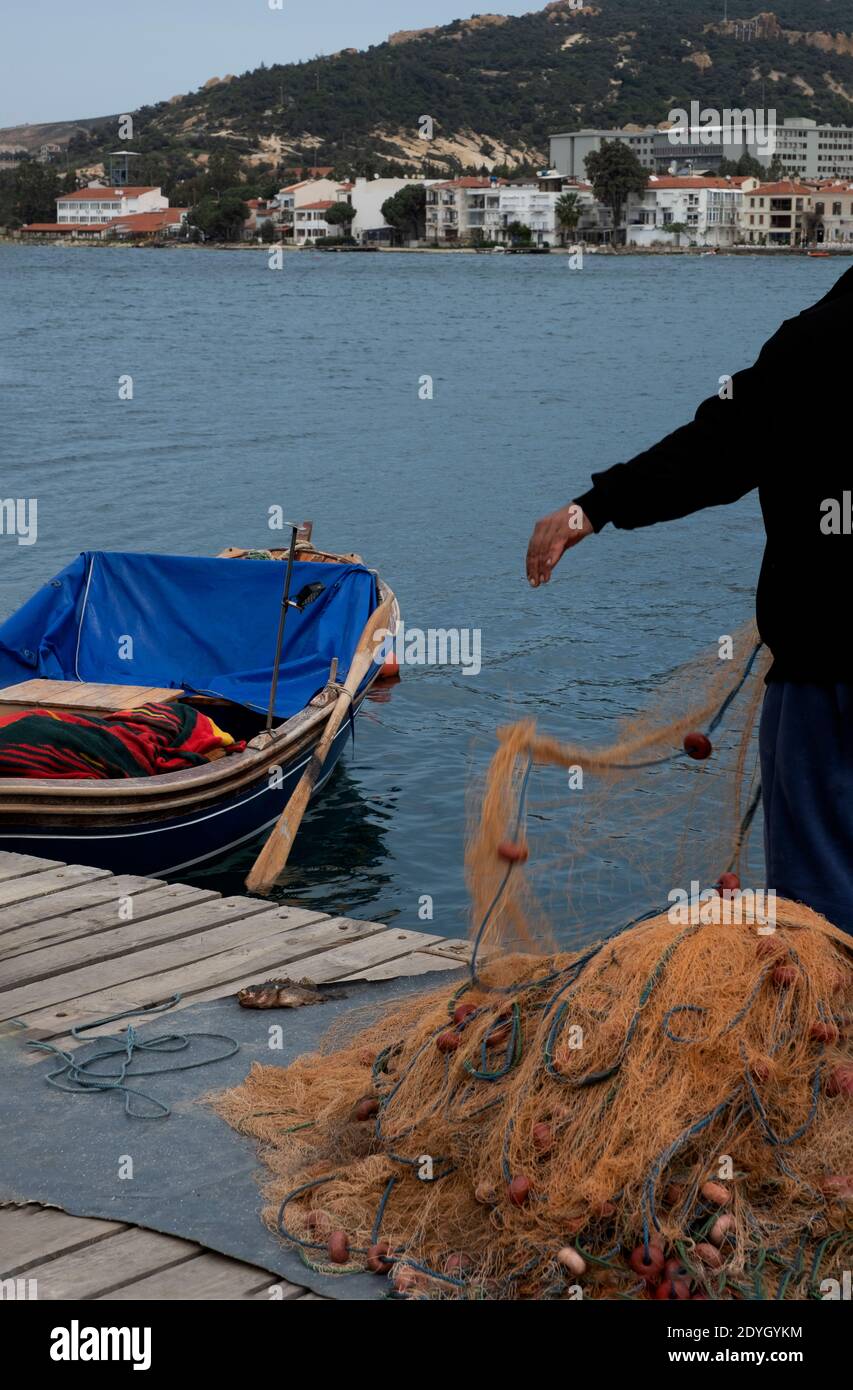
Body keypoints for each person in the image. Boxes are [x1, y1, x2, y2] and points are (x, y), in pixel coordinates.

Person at [525, 265, 853, 934]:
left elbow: (718, 448)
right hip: (821, 661)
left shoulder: (819, 339)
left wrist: (594, 507)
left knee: (821, 918)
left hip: (827, 670)